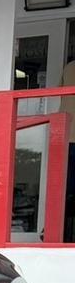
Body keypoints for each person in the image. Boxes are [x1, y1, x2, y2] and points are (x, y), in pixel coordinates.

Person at [63, 58, 75, 242]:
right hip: (70, 137)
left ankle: (63, 236)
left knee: (67, 192)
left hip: (68, 135)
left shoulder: (70, 67)